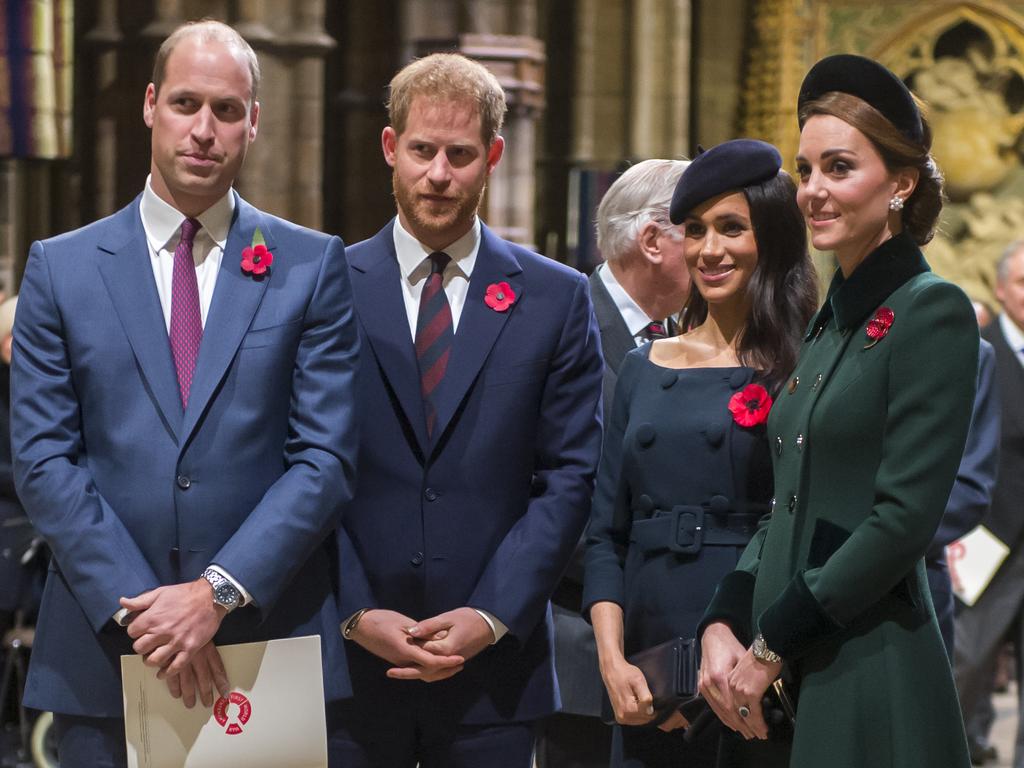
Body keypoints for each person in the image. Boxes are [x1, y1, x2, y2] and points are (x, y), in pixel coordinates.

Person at [10, 21, 359, 767]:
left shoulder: (309, 266)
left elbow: (324, 459)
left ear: (254, 121)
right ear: (149, 105)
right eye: (186, 103)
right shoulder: (61, 270)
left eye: (227, 110)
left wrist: (215, 595)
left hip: (263, 648)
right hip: (108, 652)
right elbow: (43, 460)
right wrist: (154, 614)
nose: (204, 130)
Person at [698, 54, 978, 768]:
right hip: (778, 668)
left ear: (902, 183)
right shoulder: (830, 322)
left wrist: (771, 643)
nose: (813, 191)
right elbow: (786, 500)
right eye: (806, 169)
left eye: (839, 168)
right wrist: (725, 621)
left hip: (863, 666)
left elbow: (900, 522)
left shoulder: (931, 311)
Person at [332, 53, 603, 767]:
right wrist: (356, 611)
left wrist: (490, 614)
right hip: (350, 665)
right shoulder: (324, 287)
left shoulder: (556, 298)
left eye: (460, 154)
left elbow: (571, 474)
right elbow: (300, 465)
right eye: (422, 151)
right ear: (391, 149)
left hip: (495, 673)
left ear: (493, 157)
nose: (439, 175)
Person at [583, 139, 817, 768]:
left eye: (731, 228)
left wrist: (760, 657)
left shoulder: (806, 367)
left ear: (770, 237)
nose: (710, 249)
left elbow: (805, 530)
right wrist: (611, 659)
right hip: (644, 666)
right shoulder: (641, 366)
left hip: (752, 659)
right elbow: (605, 530)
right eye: (695, 230)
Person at [537, 158, 691, 768]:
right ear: (653, 240)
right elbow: (545, 497)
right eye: (699, 229)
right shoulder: (559, 325)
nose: (715, 250)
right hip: (578, 646)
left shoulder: (695, 338)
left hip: (676, 650)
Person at [956, 240, 1024, 767]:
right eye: (1022, 282)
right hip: (988, 535)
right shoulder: (975, 351)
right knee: (968, 661)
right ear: (1000, 289)